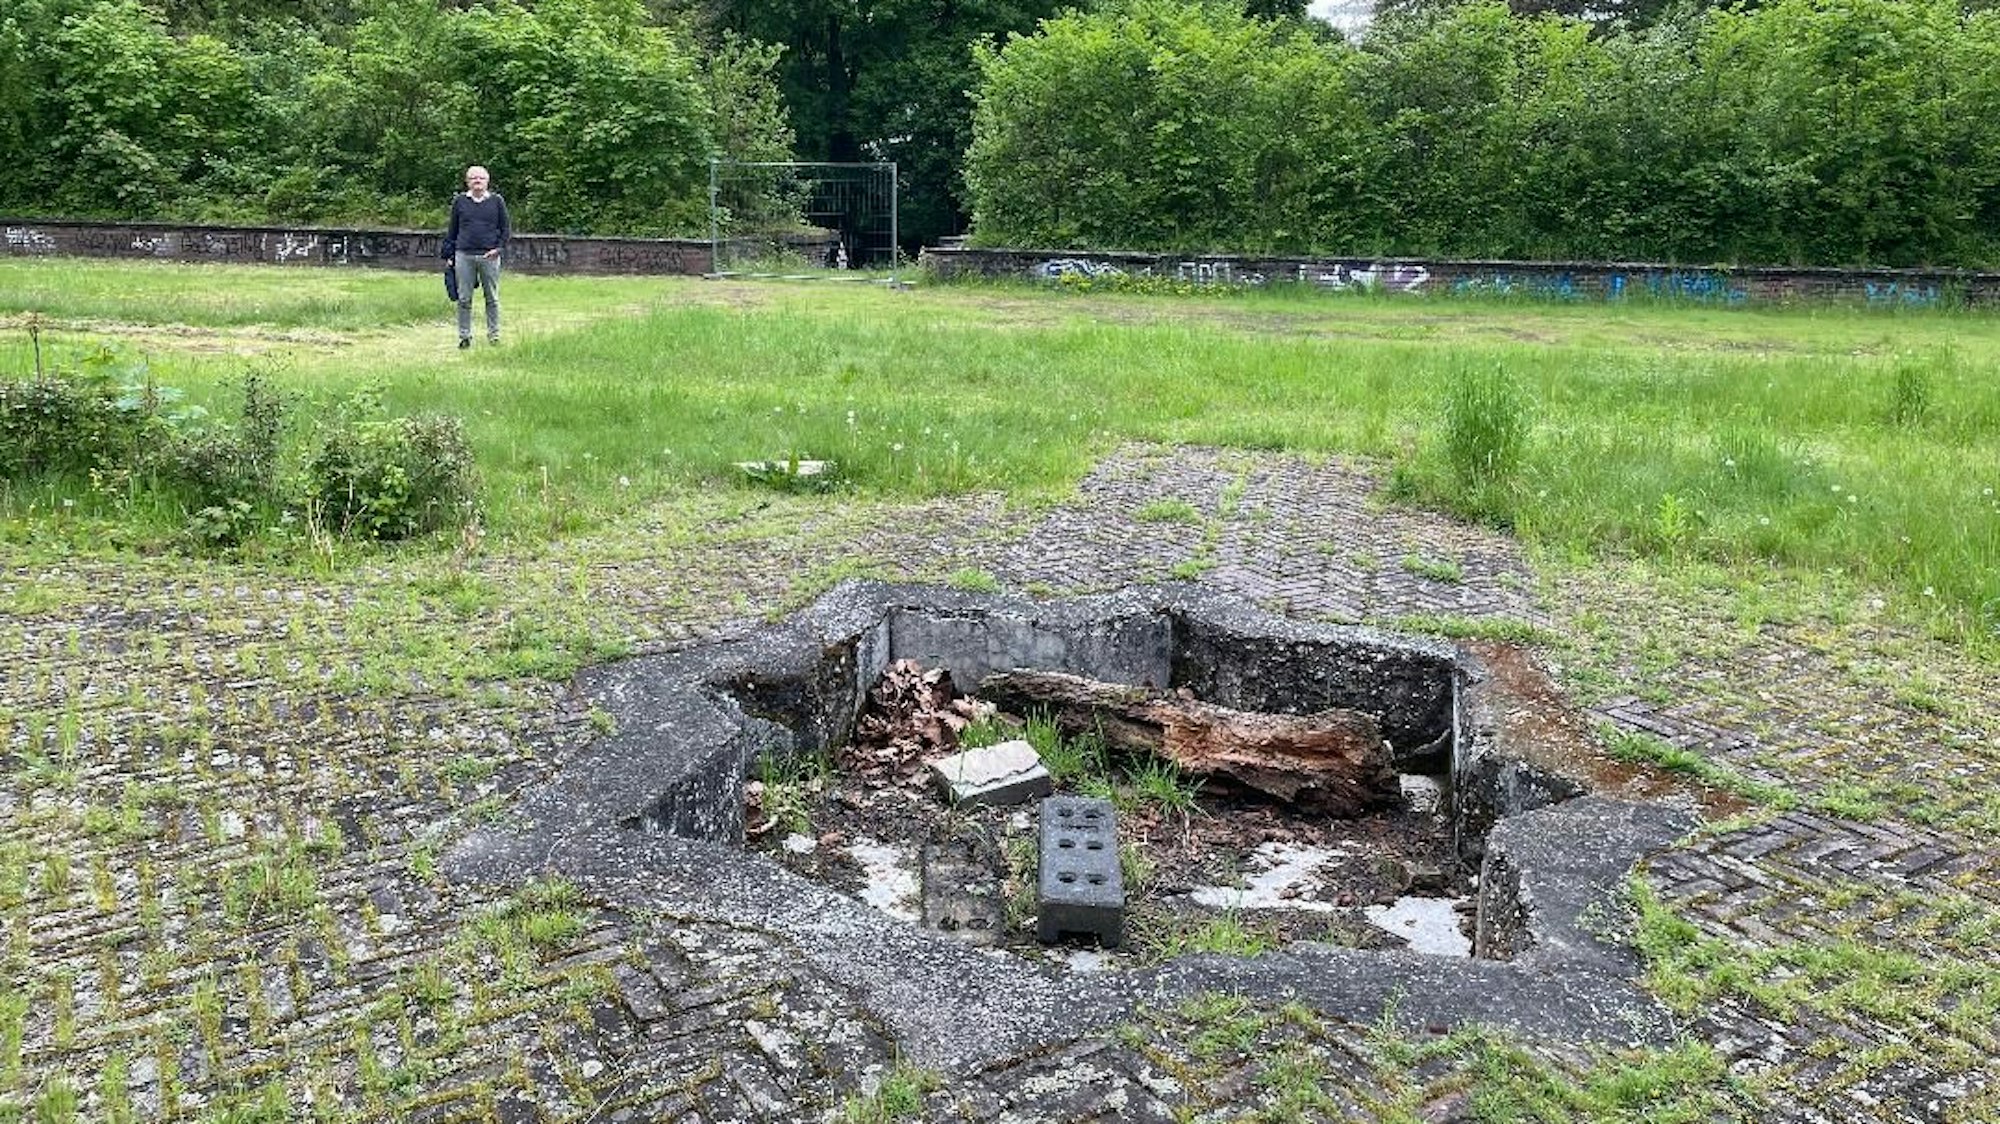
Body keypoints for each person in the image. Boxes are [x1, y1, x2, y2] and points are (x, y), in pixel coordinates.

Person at [446, 165, 510, 347]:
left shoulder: (497, 201)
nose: (477, 181)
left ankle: (494, 336)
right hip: (463, 255)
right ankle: (464, 337)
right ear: (467, 181)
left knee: (492, 298)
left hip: (489, 256)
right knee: (464, 299)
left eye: (481, 178)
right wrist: (449, 255)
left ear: (487, 181)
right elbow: (452, 229)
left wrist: (498, 249)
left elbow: (505, 228)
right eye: (473, 178)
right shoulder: (459, 201)